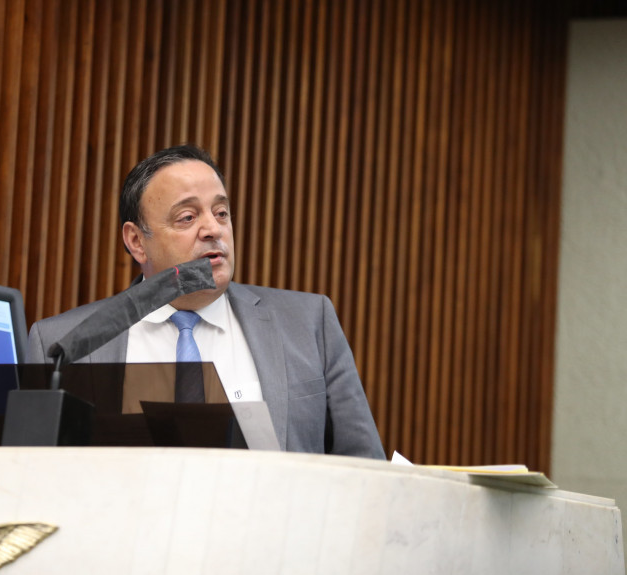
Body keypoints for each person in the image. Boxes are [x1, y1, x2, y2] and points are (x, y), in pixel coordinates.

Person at [27, 145, 385, 458]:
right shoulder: (63, 345)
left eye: (221, 213)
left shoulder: (308, 323)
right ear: (136, 241)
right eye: (187, 217)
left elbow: (366, 468)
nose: (213, 229)